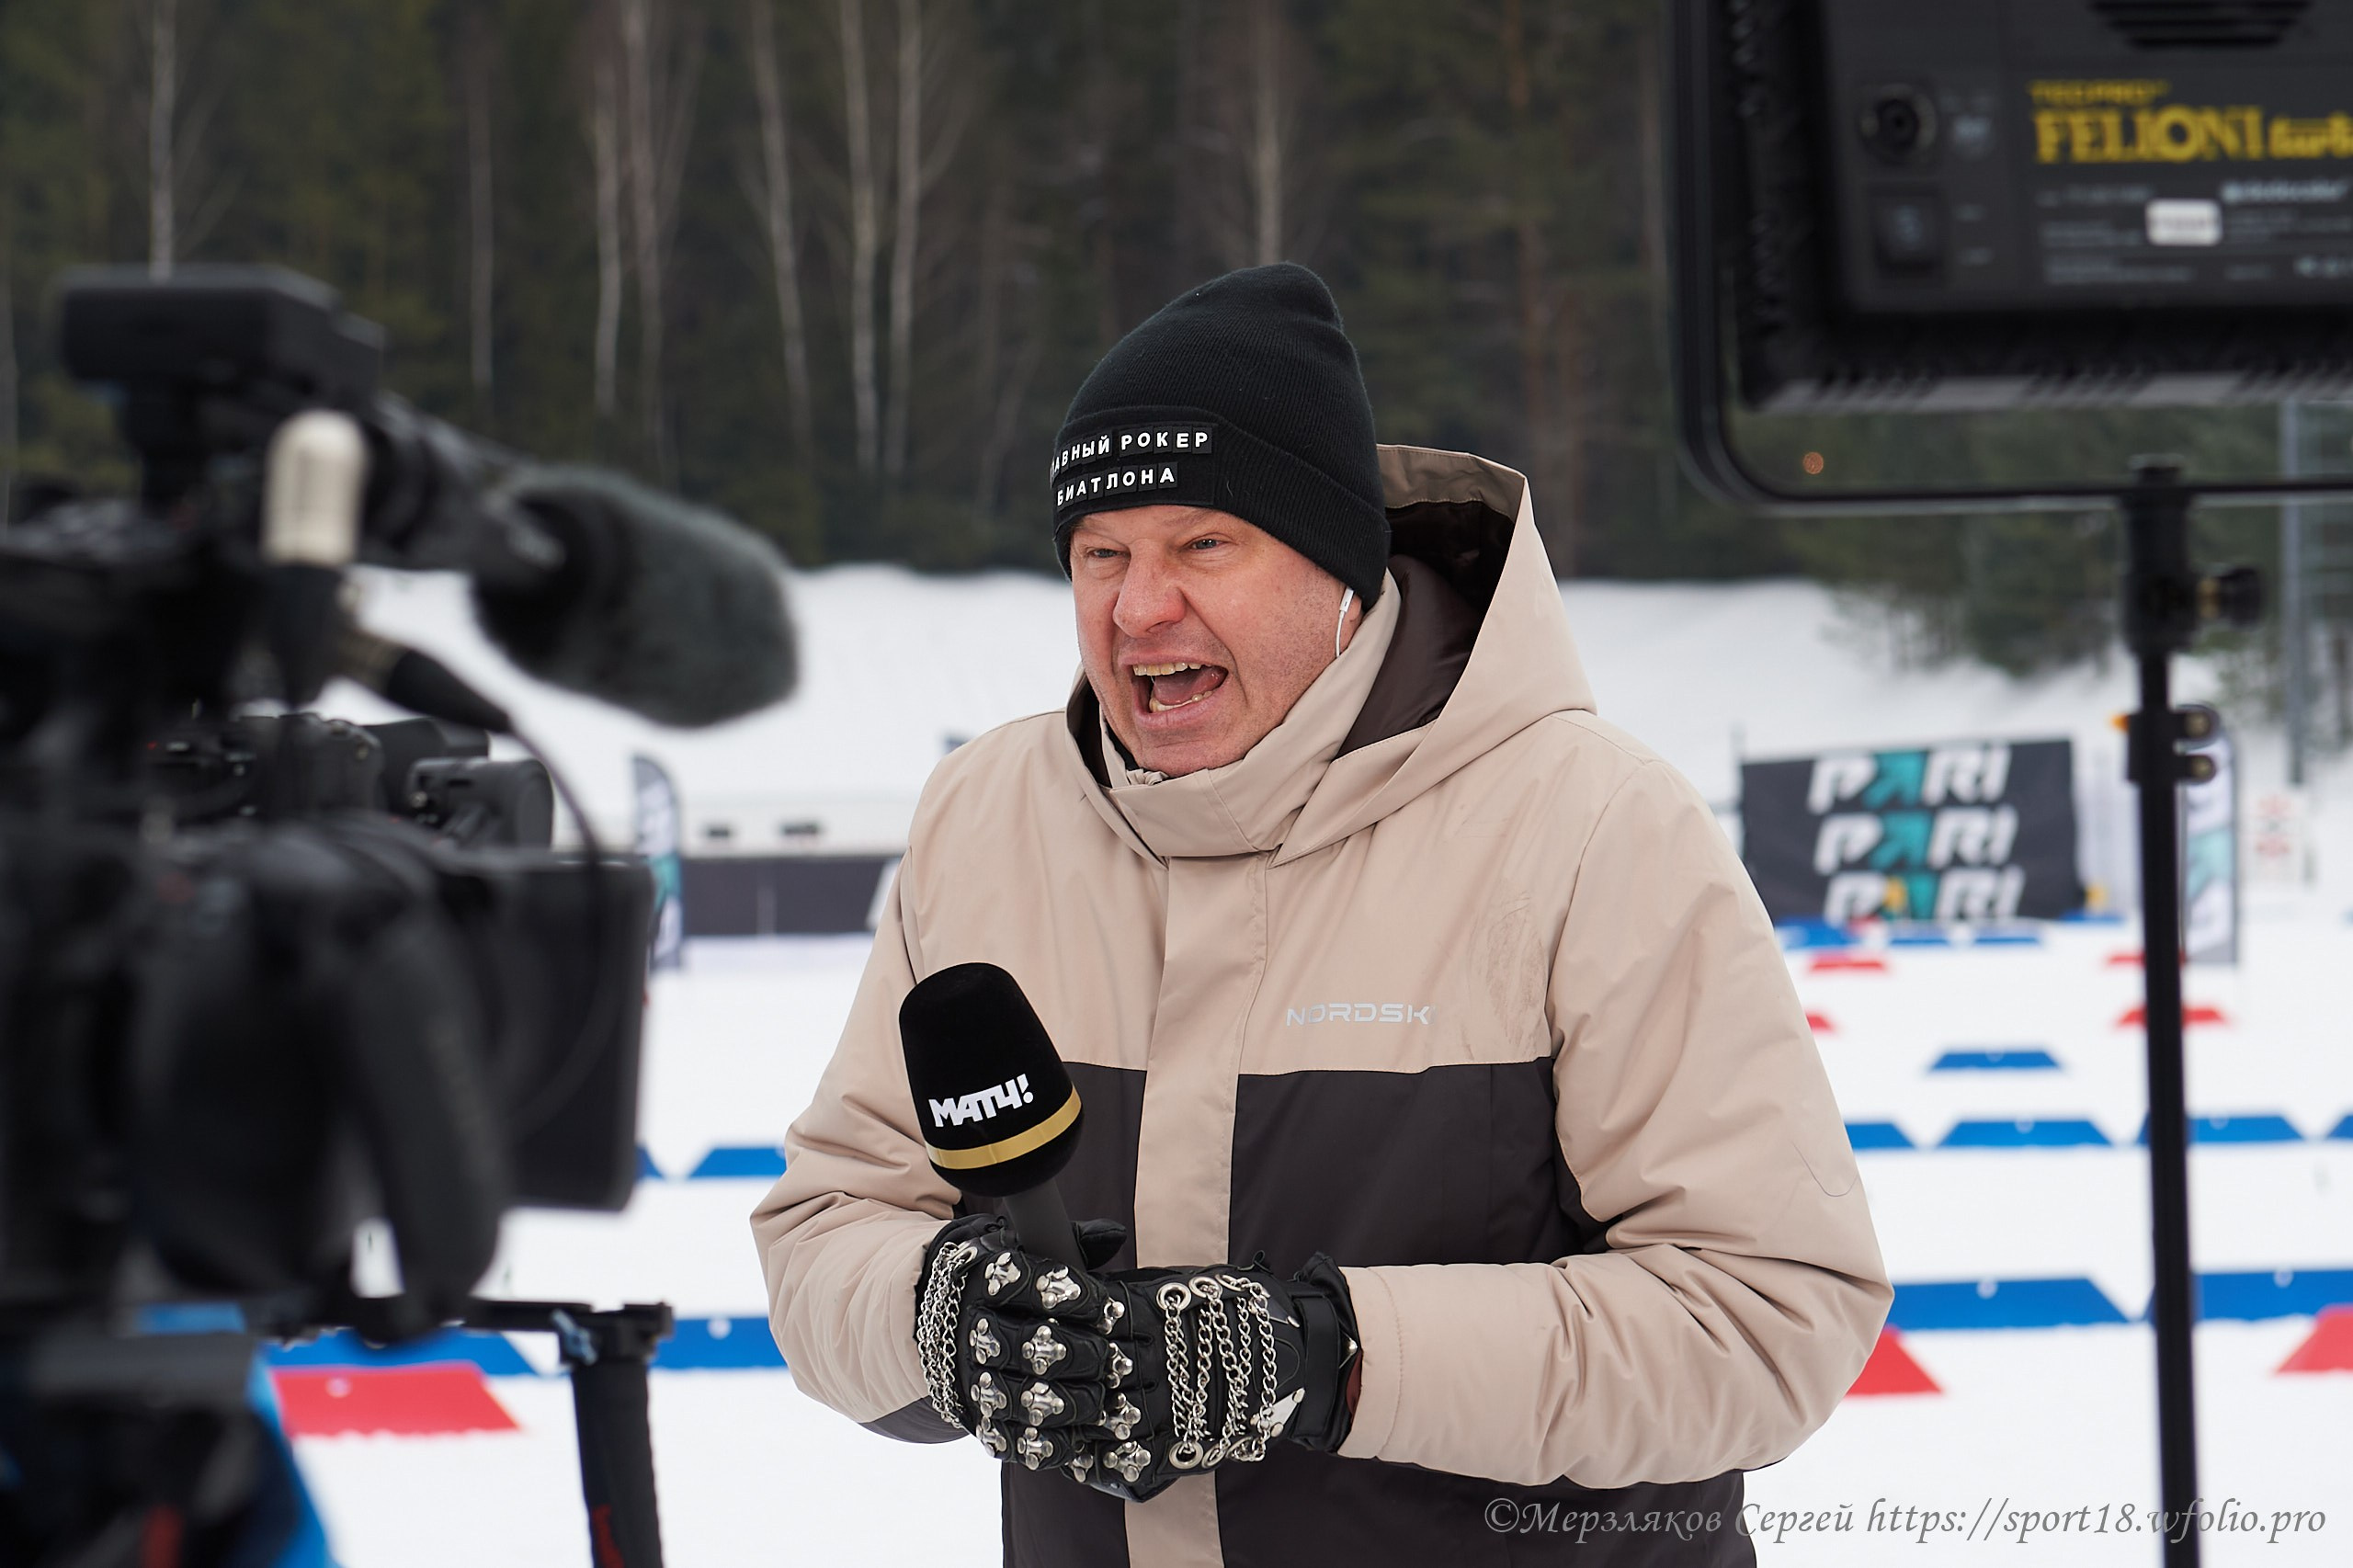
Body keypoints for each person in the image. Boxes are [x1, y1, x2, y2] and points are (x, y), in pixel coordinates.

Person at [753, 263, 1890, 1567]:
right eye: (1101, 553)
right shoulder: (987, 817)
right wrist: (942, 1322)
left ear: (1342, 568)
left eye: (1204, 545)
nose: (1138, 608)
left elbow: (1765, 1319)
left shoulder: (1593, 826)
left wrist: (1328, 1359)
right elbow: (829, 1229)